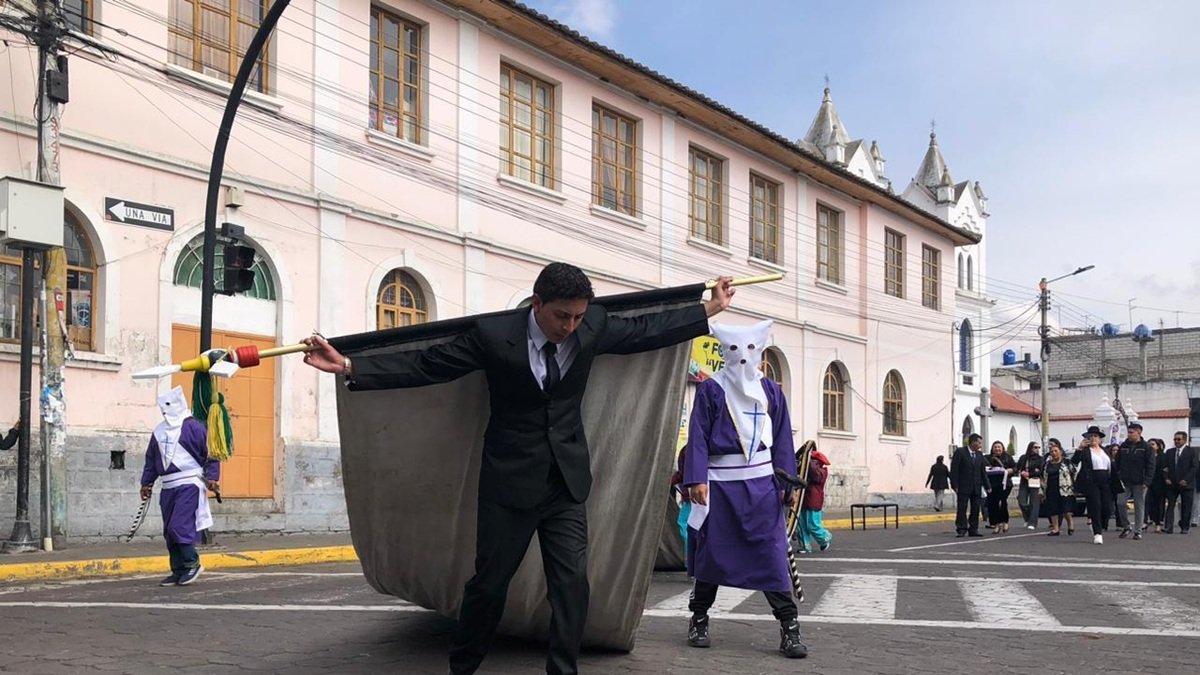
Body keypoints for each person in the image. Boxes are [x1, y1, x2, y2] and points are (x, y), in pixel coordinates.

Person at [302, 263, 735, 675]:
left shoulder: (592, 326)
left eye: (578, 317)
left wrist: (708, 310)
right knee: (490, 585)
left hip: (565, 483)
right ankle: (464, 665)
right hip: (508, 485)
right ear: (536, 304)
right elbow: (429, 364)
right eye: (561, 316)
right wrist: (349, 366)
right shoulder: (494, 336)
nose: (569, 327)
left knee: (571, 584)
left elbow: (645, 331)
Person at [683, 320, 806, 660]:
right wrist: (697, 479)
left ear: (760, 352)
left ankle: (789, 626)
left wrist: (786, 482)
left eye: (750, 350)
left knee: (771, 555)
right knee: (713, 554)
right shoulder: (710, 390)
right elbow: (698, 437)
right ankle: (699, 618)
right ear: (724, 352)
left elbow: (782, 440)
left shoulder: (771, 392)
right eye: (735, 350)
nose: (742, 358)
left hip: (761, 488)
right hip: (719, 489)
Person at [139, 386, 219, 586]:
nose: (165, 412)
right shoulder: (158, 431)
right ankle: (178, 569)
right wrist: (147, 482)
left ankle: (192, 562)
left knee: (179, 525)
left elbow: (210, 454)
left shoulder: (195, 427)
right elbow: (151, 459)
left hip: (189, 484)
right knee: (169, 530)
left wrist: (212, 477)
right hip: (168, 486)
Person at [1072, 426, 1115, 545]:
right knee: (1095, 505)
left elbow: (1111, 466)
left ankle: (1100, 524)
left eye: (1095, 436)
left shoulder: (1105, 450)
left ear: (1100, 439)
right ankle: (1097, 533)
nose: (1093, 438)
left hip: (1105, 480)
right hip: (1091, 481)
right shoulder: (1085, 451)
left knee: (1107, 508)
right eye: (1090, 436)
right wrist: (1079, 448)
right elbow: (1074, 461)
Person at [1113, 421, 1154, 539]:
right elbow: (1117, 462)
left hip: (1140, 481)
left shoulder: (1146, 447)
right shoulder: (1124, 446)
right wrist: (1117, 476)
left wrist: (1147, 481)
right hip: (1125, 480)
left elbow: (1151, 465)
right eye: (1128, 432)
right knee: (1120, 503)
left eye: (1131, 432)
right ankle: (1126, 526)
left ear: (1139, 433)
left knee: (1139, 505)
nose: (1129, 435)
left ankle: (1138, 530)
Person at [796, 444, 832, 554]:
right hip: (803, 500)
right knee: (801, 525)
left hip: (814, 502)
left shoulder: (822, 472)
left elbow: (815, 475)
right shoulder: (806, 471)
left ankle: (825, 538)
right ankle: (805, 546)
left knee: (812, 525)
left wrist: (807, 459)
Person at [950, 433, 988, 537]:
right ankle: (961, 528)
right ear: (973, 442)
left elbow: (982, 472)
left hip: (976, 487)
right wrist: (954, 485)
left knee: (975, 509)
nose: (980, 445)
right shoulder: (960, 452)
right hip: (963, 486)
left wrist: (987, 486)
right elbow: (954, 469)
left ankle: (973, 529)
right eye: (979, 443)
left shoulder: (980, 455)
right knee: (962, 508)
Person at [1162, 431, 1197, 534]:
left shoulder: (1191, 452)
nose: (1176, 441)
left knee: (1186, 506)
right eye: (1175, 439)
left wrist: (1186, 480)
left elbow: (1194, 467)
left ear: (1184, 440)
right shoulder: (1169, 452)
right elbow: (1164, 467)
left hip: (1186, 483)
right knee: (1170, 505)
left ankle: (1184, 526)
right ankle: (1168, 526)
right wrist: (1166, 478)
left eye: (1178, 439)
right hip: (1172, 483)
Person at [1042, 439, 1075, 536]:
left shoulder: (1067, 462)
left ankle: (1070, 523)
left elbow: (1074, 473)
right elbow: (1043, 475)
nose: (1053, 453)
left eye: (1056, 451)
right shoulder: (1047, 464)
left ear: (1060, 452)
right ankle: (1055, 528)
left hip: (1065, 489)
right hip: (1051, 488)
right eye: (1052, 451)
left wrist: (1075, 486)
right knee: (1053, 509)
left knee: (1065, 510)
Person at [984, 441, 1015, 534]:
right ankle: (996, 523)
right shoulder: (988, 458)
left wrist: (1011, 470)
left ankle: (1005, 521)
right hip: (992, 484)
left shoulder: (1007, 457)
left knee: (1002, 502)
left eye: (999, 447)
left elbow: (1015, 468)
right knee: (992, 504)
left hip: (1005, 484)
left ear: (1002, 448)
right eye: (995, 447)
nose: (997, 449)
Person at [1015, 441, 1044, 530]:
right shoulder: (1024, 458)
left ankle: (1032, 522)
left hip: (1035, 481)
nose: (1037, 449)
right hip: (1024, 481)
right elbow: (1018, 467)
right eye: (1035, 447)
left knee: (1034, 502)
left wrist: (1030, 474)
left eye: (1038, 447)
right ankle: (1027, 517)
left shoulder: (1040, 459)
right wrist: (1021, 472)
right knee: (1021, 501)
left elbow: (1040, 470)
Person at [1146, 438, 1168, 532]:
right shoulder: (1146, 456)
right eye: (1149, 444)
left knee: (1159, 503)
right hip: (1148, 482)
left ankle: (1158, 523)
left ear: (1158, 446)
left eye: (1153, 444)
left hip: (1160, 482)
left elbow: (1165, 469)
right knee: (1148, 503)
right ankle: (1146, 521)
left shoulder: (1163, 456)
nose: (1151, 446)